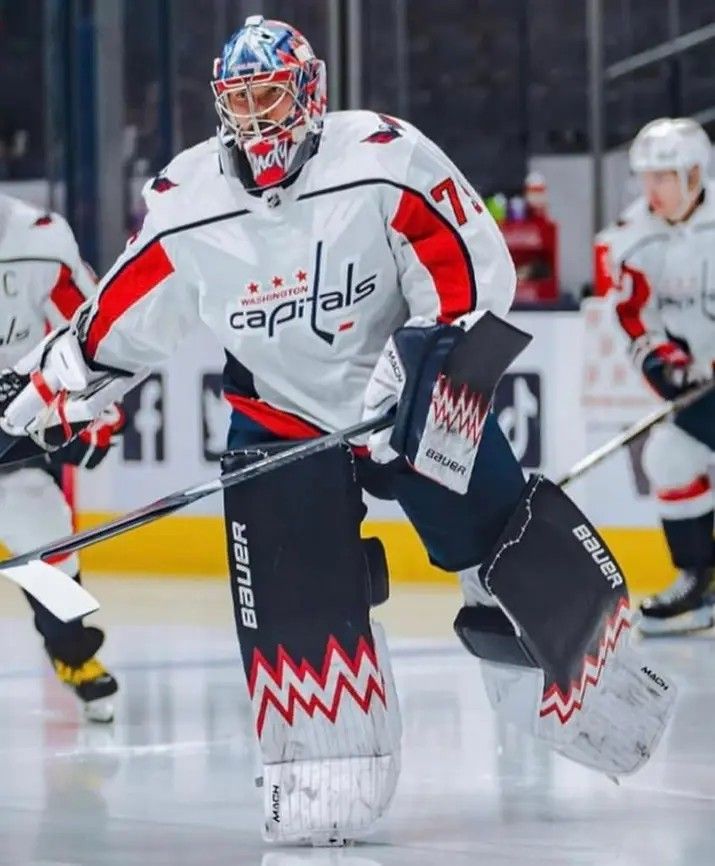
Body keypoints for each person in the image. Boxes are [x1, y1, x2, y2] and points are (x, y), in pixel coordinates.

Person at [0, 16, 674, 845]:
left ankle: (596, 688)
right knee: (297, 595)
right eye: (237, 100)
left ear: (309, 94)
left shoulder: (383, 159)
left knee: (499, 550)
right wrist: (37, 396)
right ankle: (326, 770)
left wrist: (420, 367)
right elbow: (115, 324)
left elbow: (470, 271)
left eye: (268, 95)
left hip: (411, 392)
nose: (254, 119)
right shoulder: (188, 203)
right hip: (279, 415)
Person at [0, 192, 123, 721]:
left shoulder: (40, 239)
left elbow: (95, 332)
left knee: (49, 543)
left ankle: (73, 652)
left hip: (8, 427)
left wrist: (98, 416)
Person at [596, 118, 715, 636]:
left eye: (663, 177)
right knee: (667, 458)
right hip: (702, 383)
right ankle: (696, 582)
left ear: (694, 173)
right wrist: (664, 367)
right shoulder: (632, 240)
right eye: (645, 178)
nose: (652, 190)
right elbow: (632, 318)